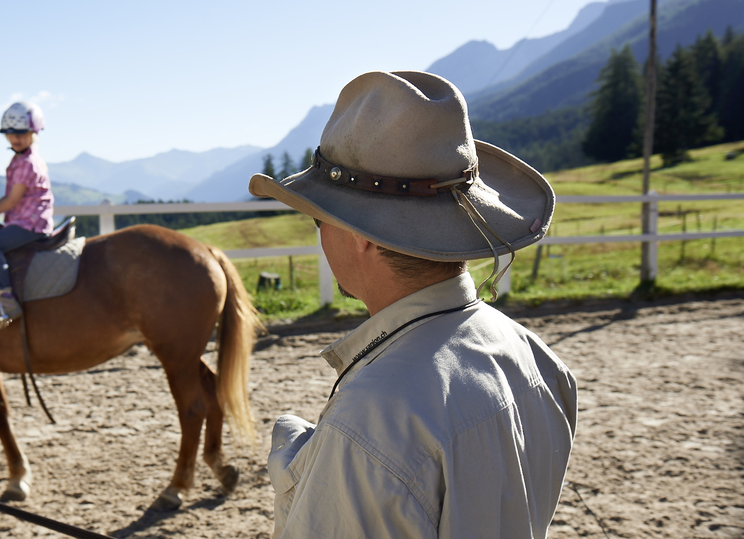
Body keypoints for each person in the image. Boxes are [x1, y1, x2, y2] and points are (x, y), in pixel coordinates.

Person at [248, 71, 578, 538]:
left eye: (320, 219)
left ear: (360, 235)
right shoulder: (537, 358)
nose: (319, 236)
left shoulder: (370, 421)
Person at [0, 101, 54, 328]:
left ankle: (5, 299)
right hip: (24, 220)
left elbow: (12, 200)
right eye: (11, 134)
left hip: (30, 224)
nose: (16, 139)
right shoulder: (20, 160)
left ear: (34, 132)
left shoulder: (27, 163)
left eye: (22, 134)